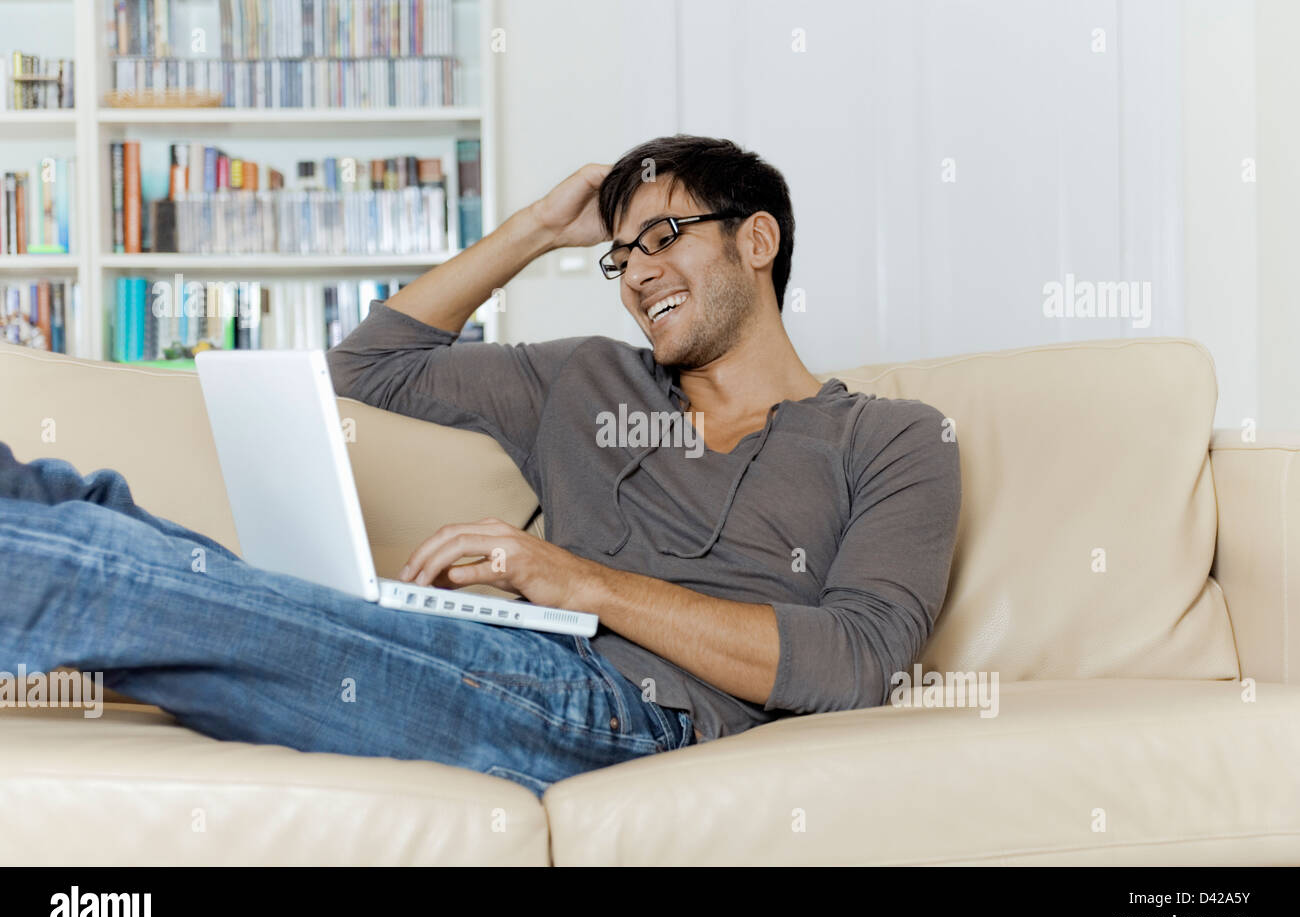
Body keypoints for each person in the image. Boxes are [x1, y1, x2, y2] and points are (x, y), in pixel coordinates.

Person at [0, 135, 961, 797]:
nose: (635, 274)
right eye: (619, 256)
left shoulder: (892, 438)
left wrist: (574, 580)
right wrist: (540, 228)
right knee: (83, 507)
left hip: (624, 712)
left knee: (123, 577)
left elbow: (858, 662)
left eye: (663, 238)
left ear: (758, 239)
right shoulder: (585, 378)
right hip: (504, 654)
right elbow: (368, 365)